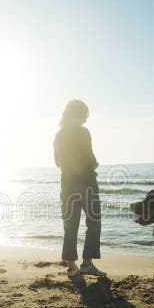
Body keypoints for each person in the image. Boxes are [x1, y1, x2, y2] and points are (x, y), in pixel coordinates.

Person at [54, 99, 106, 278]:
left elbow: (57, 162)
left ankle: (71, 267)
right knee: (94, 222)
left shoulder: (59, 135)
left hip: (67, 185)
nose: (86, 116)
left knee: (70, 226)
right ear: (76, 113)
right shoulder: (83, 133)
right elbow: (90, 158)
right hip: (86, 184)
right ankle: (87, 263)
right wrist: (94, 163)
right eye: (84, 113)